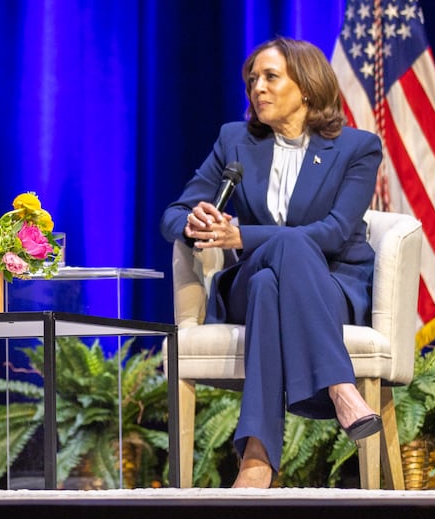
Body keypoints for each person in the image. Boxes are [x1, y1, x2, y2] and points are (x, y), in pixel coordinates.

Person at [161, 36, 385, 489]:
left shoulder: (358, 147)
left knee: (272, 278)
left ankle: (257, 458)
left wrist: (243, 235)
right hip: (242, 286)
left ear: (305, 86)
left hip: (331, 288)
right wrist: (195, 222)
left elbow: (335, 232)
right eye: (251, 80)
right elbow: (172, 216)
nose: (257, 88)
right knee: (274, 261)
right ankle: (340, 388)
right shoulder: (236, 141)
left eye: (270, 77)